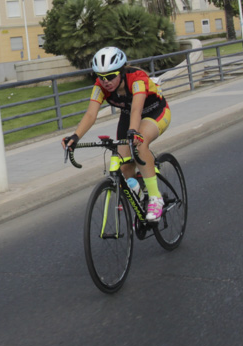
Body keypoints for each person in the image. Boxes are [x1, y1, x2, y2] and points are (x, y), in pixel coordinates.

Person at [61, 46, 172, 221]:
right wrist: (75, 137)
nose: (106, 81)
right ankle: (140, 196)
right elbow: (91, 114)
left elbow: (137, 109)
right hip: (129, 116)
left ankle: (155, 197)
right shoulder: (100, 86)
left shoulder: (136, 79)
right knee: (123, 164)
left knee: (139, 144)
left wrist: (134, 133)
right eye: (101, 77)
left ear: (121, 72)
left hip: (154, 111)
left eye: (111, 76)